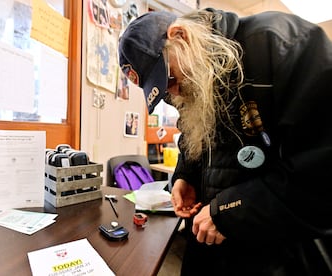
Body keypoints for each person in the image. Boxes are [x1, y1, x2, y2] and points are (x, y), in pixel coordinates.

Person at [118, 8, 332, 276]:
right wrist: (185, 177)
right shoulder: (191, 78)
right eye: (163, 89)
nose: (173, 92)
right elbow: (193, 138)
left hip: (279, 257)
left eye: (169, 78)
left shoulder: (279, 44)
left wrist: (230, 211)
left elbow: (321, 172)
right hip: (213, 247)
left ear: (181, 36)